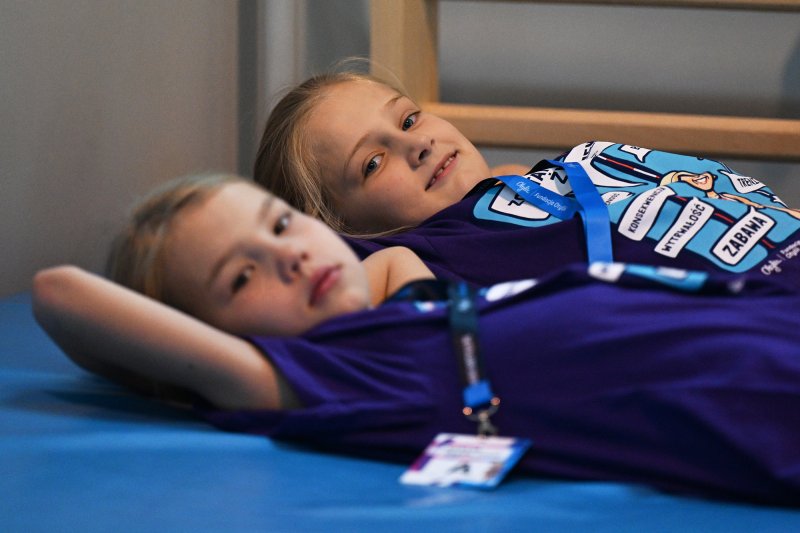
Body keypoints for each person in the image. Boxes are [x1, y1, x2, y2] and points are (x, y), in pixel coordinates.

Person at [33, 173, 800, 506]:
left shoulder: (407, 305)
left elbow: (391, 262)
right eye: (241, 276)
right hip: (755, 393)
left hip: (757, 319)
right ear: (206, 339)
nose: (290, 255)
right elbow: (58, 292)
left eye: (282, 223)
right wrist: (194, 361)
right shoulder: (340, 378)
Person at [254, 70, 800, 288]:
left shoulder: (561, 172)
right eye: (372, 163)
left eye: (409, 119)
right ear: (340, 226)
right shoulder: (421, 259)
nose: (415, 144)